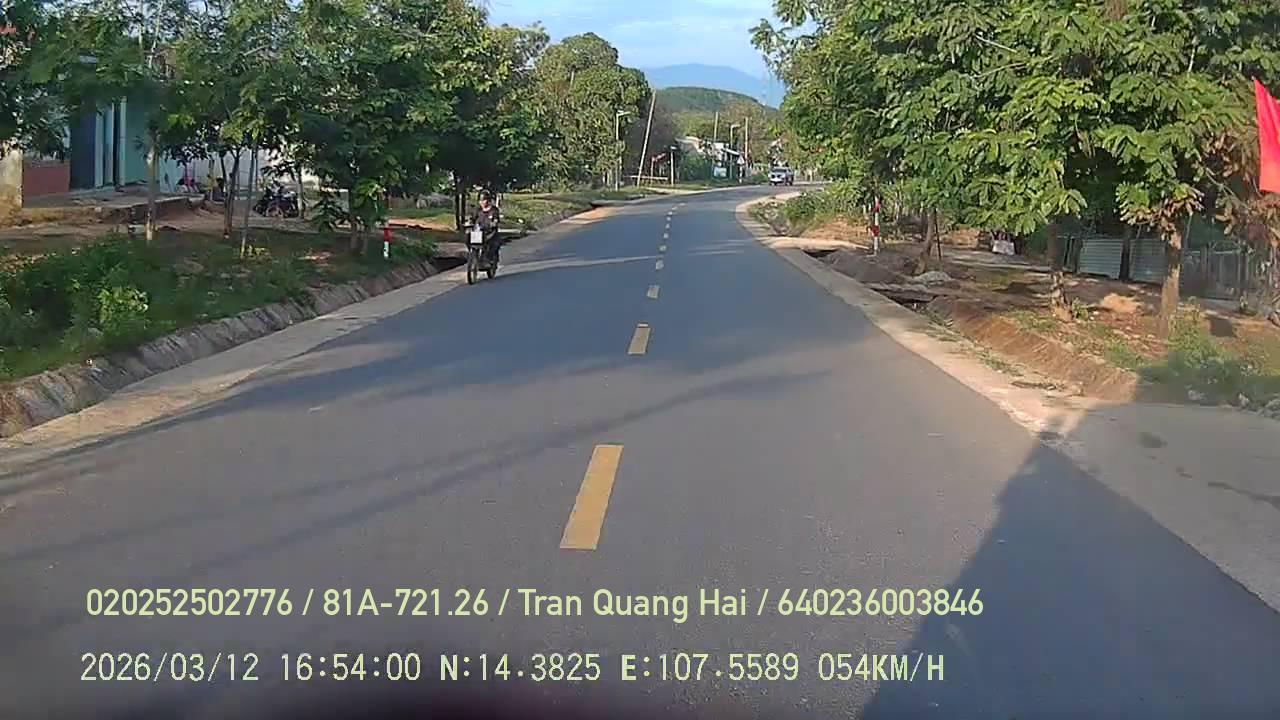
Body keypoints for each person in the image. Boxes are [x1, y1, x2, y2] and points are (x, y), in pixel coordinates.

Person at [469, 189, 501, 265]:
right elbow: (473, 219)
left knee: (493, 244)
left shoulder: (494, 210)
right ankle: (474, 258)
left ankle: (490, 259)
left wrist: (493, 223)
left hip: (490, 233)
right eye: (480, 200)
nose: (482, 202)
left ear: (488, 200)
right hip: (478, 233)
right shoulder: (478, 210)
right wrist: (469, 223)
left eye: (484, 200)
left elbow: (496, 220)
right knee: (469, 240)